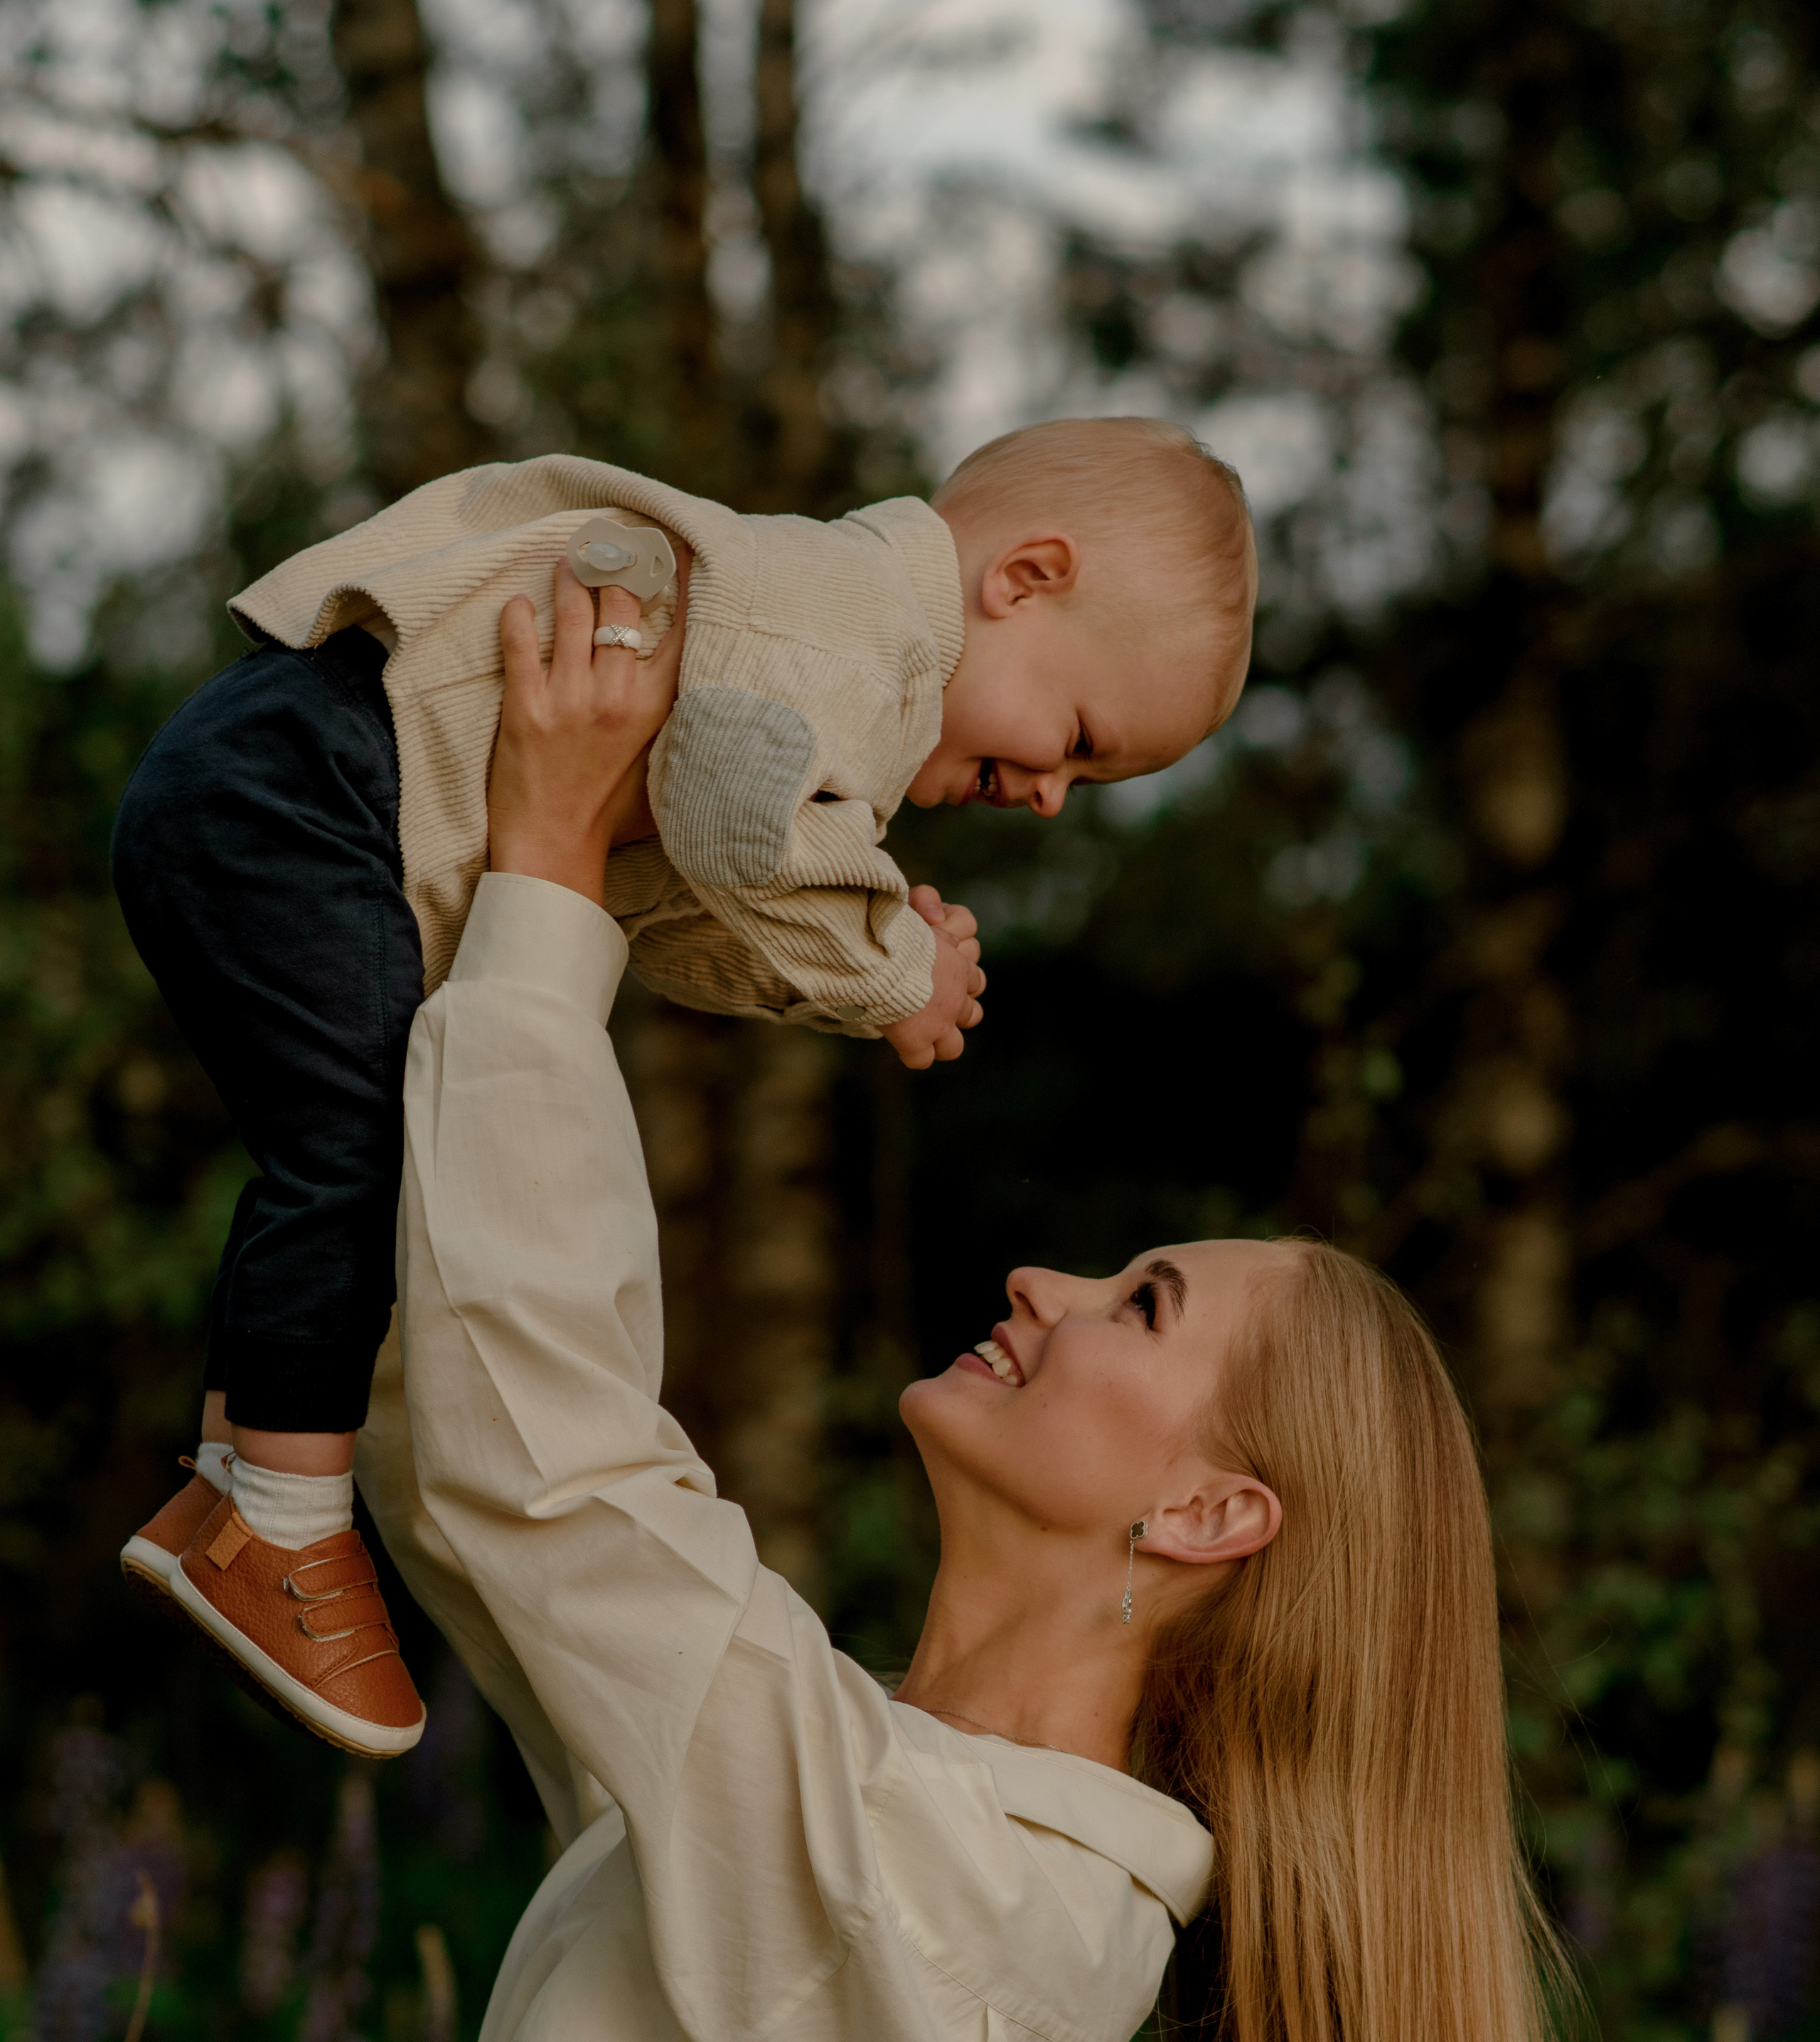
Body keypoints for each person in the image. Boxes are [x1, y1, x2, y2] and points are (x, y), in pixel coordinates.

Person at [299, 567, 1647, 2042]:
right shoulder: (902, 1824)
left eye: (1139, 1307)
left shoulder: (945, 1884)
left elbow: (541, 1473)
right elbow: (486, 1472)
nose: (1040, 1272)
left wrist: (553, 873)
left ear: (1207, 1517)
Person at [109, 417, 1256, 1760]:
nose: (1054, 796)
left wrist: (847, 970)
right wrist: (893, 968)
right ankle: (284, 1532)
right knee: (366, 1156)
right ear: (1026, 577)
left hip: (296, 791)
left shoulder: (833, 682)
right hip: (313, 791)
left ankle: (231, 1484)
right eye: (1076, 738)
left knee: (345, 1145)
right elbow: (731, 816)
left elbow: (676, 918)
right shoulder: (837, 627)